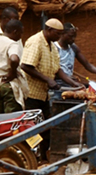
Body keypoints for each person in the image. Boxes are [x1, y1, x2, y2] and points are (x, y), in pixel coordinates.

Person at [20, 18, 66, 152]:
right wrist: (47, 80)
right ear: (49, 30)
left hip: (43, 95)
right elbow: (26, 66)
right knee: (30, 128)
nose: (59, 37)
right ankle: (29, 156)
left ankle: (44, 156)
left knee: (47, 126)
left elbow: (57, 70)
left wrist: (74, 84)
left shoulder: (52, 46)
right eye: (58, 33)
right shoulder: (36, 42)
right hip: (31, 94)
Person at [56, 23, 96, 89]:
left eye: (74, 36)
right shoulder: (55, 48)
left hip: (70, 84)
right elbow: (53, 71)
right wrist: (68, 78)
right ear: (62, 34)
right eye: (70, 36)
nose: (73, 39)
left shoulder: (73, 48)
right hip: (57, 85)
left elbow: (88, 65)